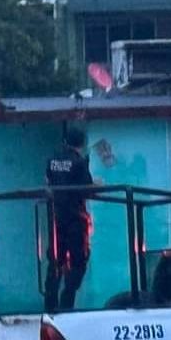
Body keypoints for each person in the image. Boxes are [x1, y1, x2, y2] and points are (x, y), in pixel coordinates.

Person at [44, 127, 94, 312]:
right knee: (79, 261)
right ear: (81, 144)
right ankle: (67, 302)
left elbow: (48, 183)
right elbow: (87, 189)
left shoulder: (52, 160)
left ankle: (50, 304)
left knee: (55, 260)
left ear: (65, 142)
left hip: (57, 218)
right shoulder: (79, 162)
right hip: (76, 219)